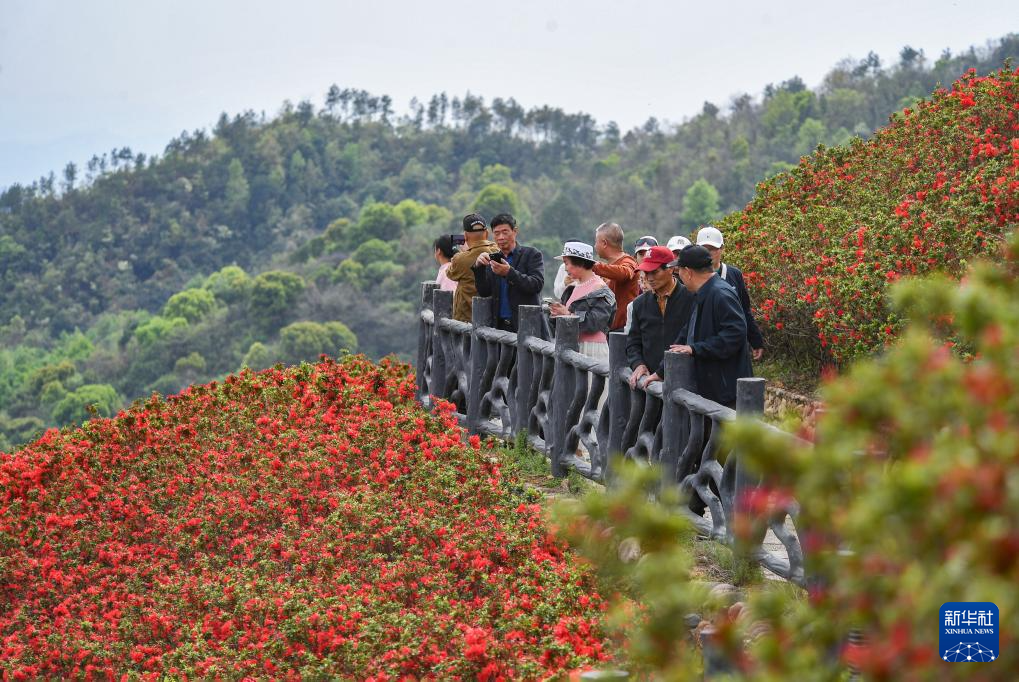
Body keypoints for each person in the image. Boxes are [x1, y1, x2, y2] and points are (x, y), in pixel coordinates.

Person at [669, 245, 753, 409]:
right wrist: (660, 372)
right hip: (714, 390)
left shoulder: (720, 294)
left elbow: (735, 334)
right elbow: (688, 331)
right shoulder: (703, 293)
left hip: (725, 392)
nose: (678, 275)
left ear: (688, 272)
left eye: (678, 270)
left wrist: (696, 349)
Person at [626, 246, 694, 389]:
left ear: (670, 269)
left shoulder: (691, 299)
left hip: (686, 380)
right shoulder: (639, 304)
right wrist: (638, 364)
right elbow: (633, 342)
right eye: (646, 272)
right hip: (649, 384)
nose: (649, 278)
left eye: (655, 272)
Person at [695, 226, 765, 361]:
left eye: (713, 249)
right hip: (703, 344)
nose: (709, 254)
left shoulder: (734, 274)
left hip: (733, 344)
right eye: (704, 249)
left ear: (721, 248)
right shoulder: (693, 277)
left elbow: (744, 309)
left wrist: (756, 340)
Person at [472, 213, 545, 332]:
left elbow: (536, 285)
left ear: (515, 231)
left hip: (525, 326)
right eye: (496, 233)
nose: (500, 237)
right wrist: (479, 267)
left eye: (505, 232)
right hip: (499, 326)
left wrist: (509, 272)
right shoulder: (494, 258)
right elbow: (484, 292)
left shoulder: (531, 254)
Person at [548, 242, 616, 361]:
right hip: (572, 346)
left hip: (592, 349)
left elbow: (596, 322)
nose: (565, 268)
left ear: (579, 263)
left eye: (566, 263)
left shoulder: (599, 288)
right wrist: (556, 313)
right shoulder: (571, 288)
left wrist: (568, 315)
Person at [447, 213, 498, 322]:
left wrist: (464, 252)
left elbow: (450, 273)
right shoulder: (498, 252)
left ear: (465, 236)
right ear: (487, 233)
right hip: (492, 319)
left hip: (466, 320)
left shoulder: (460, 259)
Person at [592, 222, 639, 332]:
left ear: (604, 243)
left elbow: (625, 273)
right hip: (609, 330)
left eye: (596, 242)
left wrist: (594, 266)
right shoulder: (609, 267)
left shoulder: (628, 261)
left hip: (623, 331)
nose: (595, 246)